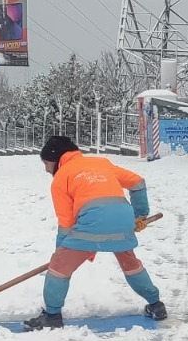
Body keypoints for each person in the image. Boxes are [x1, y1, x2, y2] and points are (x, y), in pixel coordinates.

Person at [24, 135, 165, 330]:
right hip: (123, 219)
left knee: (58, 269)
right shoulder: (102, 163)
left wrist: (61, 254)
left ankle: (52, 316)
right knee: (130, 263)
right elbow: (137, 182)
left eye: (47, 163)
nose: (46, 169)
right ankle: (156, 305)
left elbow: (66, 223)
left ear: (56, 160)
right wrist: (139, 214)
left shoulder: (61, 178)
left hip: (91, 224)